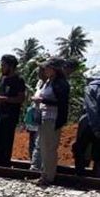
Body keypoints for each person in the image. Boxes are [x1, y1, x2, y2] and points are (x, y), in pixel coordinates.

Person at [32, 57, 70, 185]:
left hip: (52, 118)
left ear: (53, 69)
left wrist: (42, 100)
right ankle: (45, 174)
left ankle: (49, 177)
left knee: (49, 148)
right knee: (44, 147)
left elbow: (61, 103)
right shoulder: (49, 81)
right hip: (45, 117)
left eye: (47, 67)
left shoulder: (61, 83)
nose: (45, 70)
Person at [0, 55, 26, 166]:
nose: (1, 67)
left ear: (11, 66)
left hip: (10, 116)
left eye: (3, 65)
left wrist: (2, 99)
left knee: (7, 141)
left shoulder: (18, 80)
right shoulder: (2, 79)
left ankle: (5, 164)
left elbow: (20, 98)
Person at [73, 73, 100, 176]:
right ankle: (96, 177)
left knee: (80, 149)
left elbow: (91, 108)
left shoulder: (90, 88)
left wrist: (96, 128)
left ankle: (80, 176)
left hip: (88, 122)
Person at [25, 65, 46, 170]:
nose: (38, 73)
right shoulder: (39, 83)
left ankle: (37, 166)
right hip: (34, 115)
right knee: (32, 140)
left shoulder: (49, 85)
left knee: (39, 141)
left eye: (41, 71)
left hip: (43, 116)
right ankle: (32, 162)